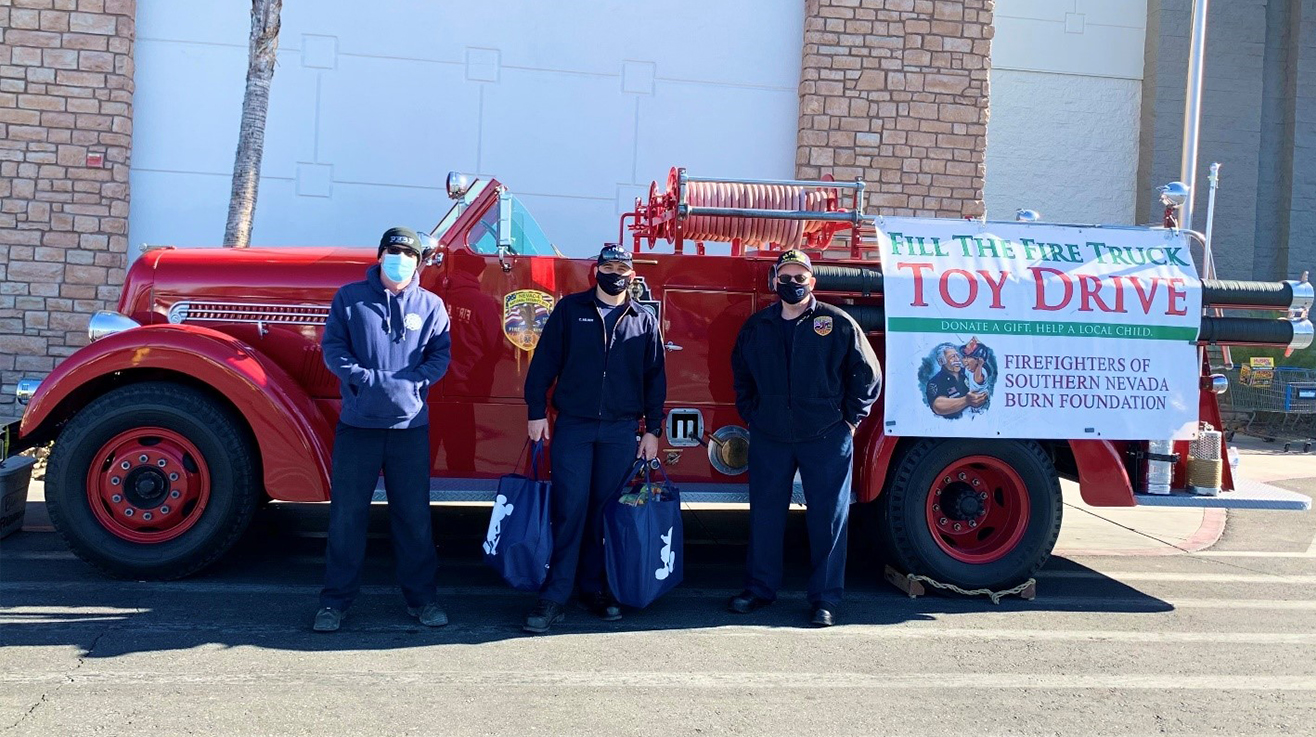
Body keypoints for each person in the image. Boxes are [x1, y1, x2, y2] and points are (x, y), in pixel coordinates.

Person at [728, 249, 881, 627]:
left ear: (812, 282)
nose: (792, 284)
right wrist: (753, 414)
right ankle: (759, 589)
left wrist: (849, 421)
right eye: (785, 276)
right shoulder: (757, 326)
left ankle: (825, 599)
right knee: (765, 514)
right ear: (774, 281)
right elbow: (741, 374)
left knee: (828, 519)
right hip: (771, 435)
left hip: (826, 435)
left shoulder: (838, 323)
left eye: (800, 277)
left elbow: (868, 375)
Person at [312, 226, 452, 633]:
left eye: (409, 253)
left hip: (409, 428)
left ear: (418, 262)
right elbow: (333, 350)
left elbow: (439, 356)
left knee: (413, 518)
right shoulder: (349, 299)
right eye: (394, 251)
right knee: (346, 517)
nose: (401, 259)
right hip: (358, 426)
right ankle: (334, 603)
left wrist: (410, 384)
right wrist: (366, 381)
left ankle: (423, 601)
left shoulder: (431, 306)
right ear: (380, 255)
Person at [521, 244, 667, 633]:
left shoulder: (643, 319)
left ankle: (596, 588)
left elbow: (656, 379)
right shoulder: (570, 310)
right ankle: (554, 595)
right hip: (575, 426)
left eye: (622, 267)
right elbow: (544, 363)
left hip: (620, 431)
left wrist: (652, 429)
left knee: (605, 513)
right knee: (570, 509)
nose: (615, 272)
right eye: (608, 266)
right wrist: (536, 411)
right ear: (596, 270)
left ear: (632, 275)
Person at [927, 345, 982, 418]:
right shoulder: (936, 381)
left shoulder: (967, 372)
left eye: (957, 356)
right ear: (941, 361)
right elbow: (938, 406)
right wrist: (967, 400)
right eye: (952, 357)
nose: (957, 359)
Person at [960, 340, 990, 416]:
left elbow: (977, 379)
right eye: (965, 357)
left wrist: (980, 365)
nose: (965, 360)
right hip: (973, 403)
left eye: (969, 357)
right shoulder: (969, 370)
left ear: (979, 360)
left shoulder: (981, 371)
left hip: (982, 403)